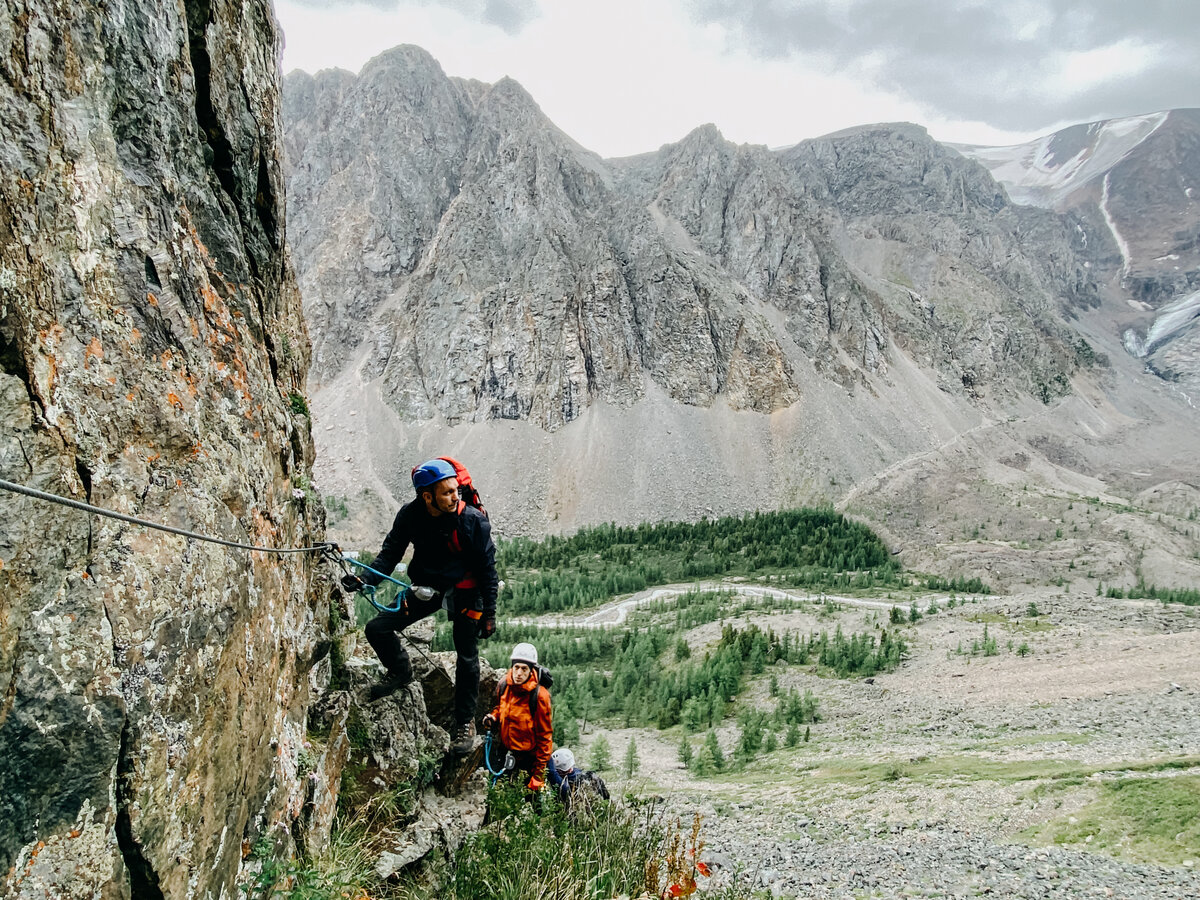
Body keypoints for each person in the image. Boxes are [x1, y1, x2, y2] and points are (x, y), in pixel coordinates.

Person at [344, 458, 499, 754]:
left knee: (467, 656)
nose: (456, 497)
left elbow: (487, 570)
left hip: (467, 591)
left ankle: (465, 724)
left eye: (456, 491)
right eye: (447, 493)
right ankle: (401, 671)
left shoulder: (472, 521)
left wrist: (489, 613)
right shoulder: (410, 516)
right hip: (427, 587)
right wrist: (365, 580)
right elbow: (389, 554)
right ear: (427, 496)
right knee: (377, 629)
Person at [482, 642, 553, 792]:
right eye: (516, 667)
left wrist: (538, 775)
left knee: (532, 801)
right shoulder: (503, 685)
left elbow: (545, 737)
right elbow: (501, 708)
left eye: (524, 668)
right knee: (495, 791)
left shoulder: (539, 696)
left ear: (531, 670)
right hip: (505, 751)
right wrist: (494, 717)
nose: (519, 673)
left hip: (529, 759)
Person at [548, 747, 610, 818]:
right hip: (596, 814)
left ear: (559, 771)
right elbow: (606, 797)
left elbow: (551, 772)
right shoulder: (590, 776)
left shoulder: (564, 785)